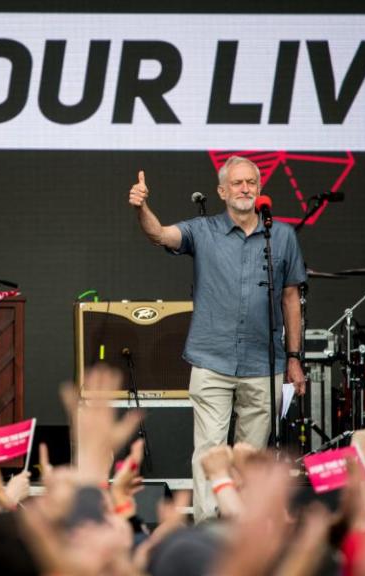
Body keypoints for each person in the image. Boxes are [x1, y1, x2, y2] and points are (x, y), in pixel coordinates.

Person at [128, 156, 307, 521]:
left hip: (264, 361)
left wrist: (293, 357)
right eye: (237, 183)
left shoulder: (282, 235)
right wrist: (142, 207)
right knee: (210, 449)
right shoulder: (203, 230)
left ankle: (242, 527)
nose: (245, 189)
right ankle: (209, 527)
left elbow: (291, 297)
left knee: (251, 453)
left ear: (259, 189)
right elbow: (159, 234)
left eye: (251, 183)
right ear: (222, 191)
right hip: (212, 358)